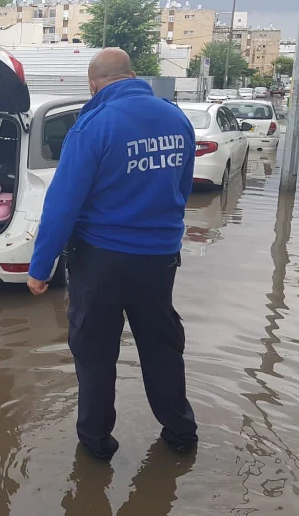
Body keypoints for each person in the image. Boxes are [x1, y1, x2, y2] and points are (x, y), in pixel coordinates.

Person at [27, 47, 198, 460]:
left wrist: (40, 266)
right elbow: (183, 187)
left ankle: (97, 446)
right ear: (133, 74)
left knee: (95, 354)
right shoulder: (177, 119)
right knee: (161, 346)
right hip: (159, 260)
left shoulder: (93, 126)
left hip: (101, 260)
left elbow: (62, 204)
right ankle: (180, 434)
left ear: (93, 84)